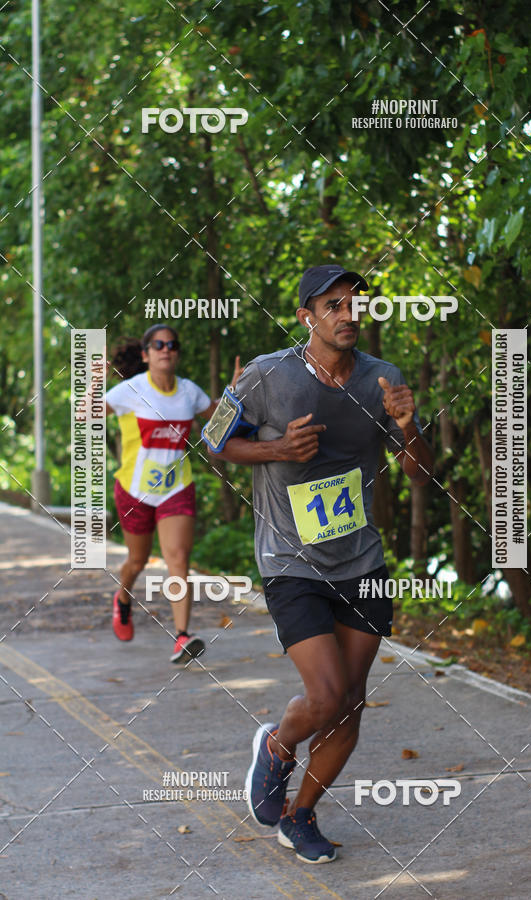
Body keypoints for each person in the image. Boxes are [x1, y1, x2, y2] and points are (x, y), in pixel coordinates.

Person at [216, 264, 433, 863]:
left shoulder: (382, 380)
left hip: (359, 560)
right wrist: (275, 448)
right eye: (333, 305)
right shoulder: (267, 375)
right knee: (328, 694)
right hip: (291, 560)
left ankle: (299, 815)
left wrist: (410, 428)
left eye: (354, 303)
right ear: (306, 316)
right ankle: (278, 746)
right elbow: (212, 441)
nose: (348, 313)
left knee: (352, 701)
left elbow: (421, 474)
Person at [105, 322, 241, 663]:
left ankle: (182, 636)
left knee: (177, 559)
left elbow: (220, 419)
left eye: (172, 345)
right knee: (137, 561)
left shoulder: (188, 392)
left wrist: (235, 392)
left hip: (176, 488)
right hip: (134, 490)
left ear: (176, 353)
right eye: (158, 345)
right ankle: (122, 599)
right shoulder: (129, 391)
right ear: (146, 354)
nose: (166, 349)